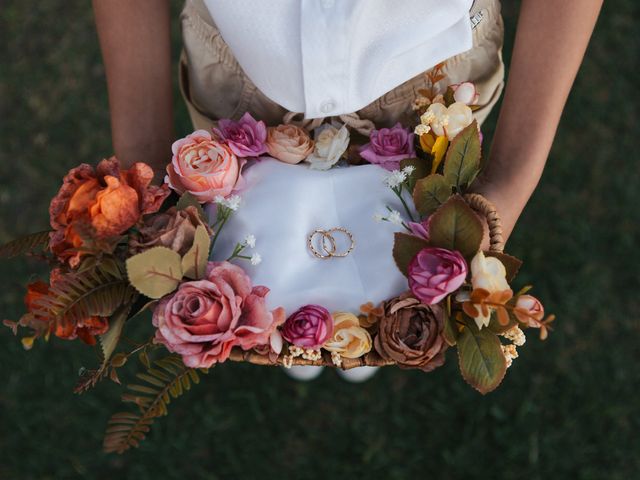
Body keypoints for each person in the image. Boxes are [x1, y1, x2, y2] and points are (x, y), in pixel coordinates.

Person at [92, 0, 603, 381]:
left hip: (433, 84)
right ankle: (312, 332)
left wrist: (512, 176)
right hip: (241, 77)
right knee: (263, 275)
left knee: (390, 293)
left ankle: (357, 335)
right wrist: (144, 153)